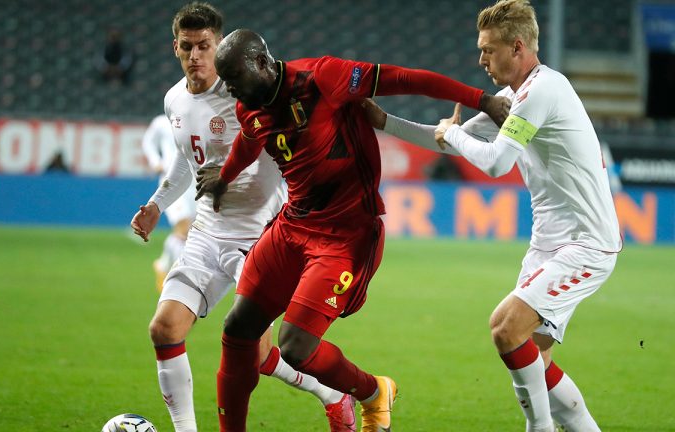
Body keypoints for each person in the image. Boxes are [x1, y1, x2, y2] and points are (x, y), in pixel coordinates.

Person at [195, 29, 510, 432]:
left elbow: (405, 78)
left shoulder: (323, 78)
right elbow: (250, 140)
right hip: (293, 225)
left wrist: (481, 99)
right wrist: (225, 176)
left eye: (236, 80)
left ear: (261, 63)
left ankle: (373, 392)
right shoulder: (249, 108)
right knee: (237, 330)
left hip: (346, 235)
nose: (234, 92)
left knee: (294, 347)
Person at [364, 1, 621, 430]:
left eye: (489, 49)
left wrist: (452, 135)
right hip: (548, 243)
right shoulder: (510, 98)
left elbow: (497, 163)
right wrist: (385, 122)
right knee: (535, 357)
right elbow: (454, 140)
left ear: (517, 46)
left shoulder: (542, 91)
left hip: (586, 243)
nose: (481, 59)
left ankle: (537, 428)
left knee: (505, 328)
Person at [129, 3, 356, 431]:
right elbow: (186, 160)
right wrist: (157, 204)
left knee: (259, 354)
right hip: (205, 233)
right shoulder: (174, 99)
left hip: (259, 238)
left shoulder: (245, 96)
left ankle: (333, 394)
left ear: (219, 44)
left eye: (204, 46)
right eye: (187, 47)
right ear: (174, 47)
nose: (196, 55)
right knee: (164, 329)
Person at [141, 114, 196, 291]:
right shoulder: (161, 122)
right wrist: (155, 161)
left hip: (195, 183)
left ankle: (163, 265)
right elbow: (148, 142)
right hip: (170, 182)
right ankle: (181, 281)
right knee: (183, 227)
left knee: (191, 232)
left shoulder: (198, 117)